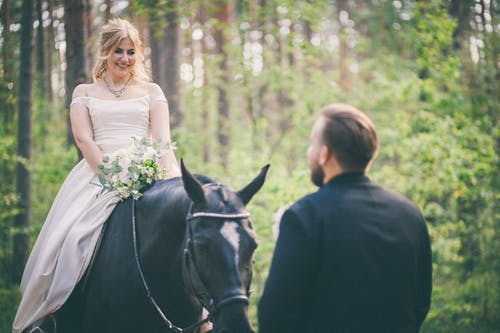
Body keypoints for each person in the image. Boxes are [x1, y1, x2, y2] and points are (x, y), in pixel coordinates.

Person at [12, 19, 181, 333]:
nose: (125, 58)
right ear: (105, 51)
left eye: (131, 52)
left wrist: (167, 177)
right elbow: (84, 140)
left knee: (186, 224)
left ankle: (202, 318)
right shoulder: (84, 91)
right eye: (118, 50)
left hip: (148, 170)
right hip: (97, 174)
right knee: (72, 238)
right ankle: (52, 317)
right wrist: (114, 176)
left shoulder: (151, 91)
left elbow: (161, 139)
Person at [258, 103, 432, 333]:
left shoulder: (305, 217)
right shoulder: (410, 214)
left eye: (312, 144)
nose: (309, 152)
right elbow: (420, 304)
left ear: (324, 154)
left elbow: (274, 316)